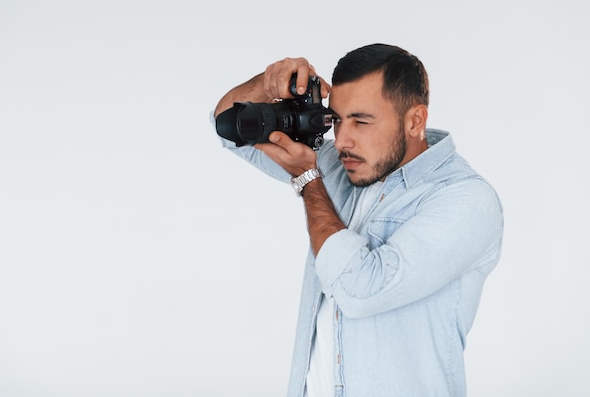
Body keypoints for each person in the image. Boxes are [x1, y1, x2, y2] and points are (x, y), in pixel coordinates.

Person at [211, 43, 504, 397]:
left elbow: (360, 291)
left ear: (415, 121)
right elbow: (229, 128)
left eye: (361, 121)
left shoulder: (466, 199)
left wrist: (308, 181)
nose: (342, 140)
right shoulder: (341, 164)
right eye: (336, 120)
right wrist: (268, 85)